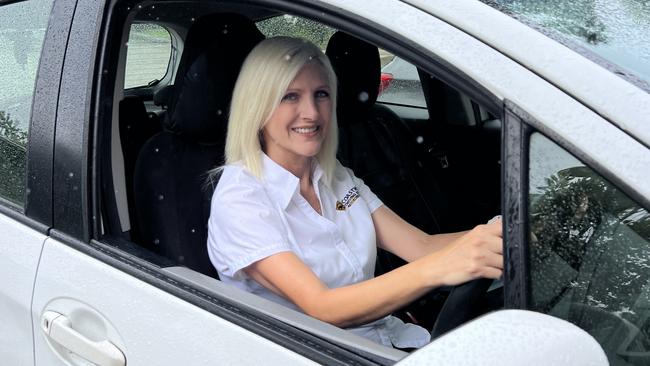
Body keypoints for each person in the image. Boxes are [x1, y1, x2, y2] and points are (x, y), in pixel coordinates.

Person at [207, 36, 503, 349]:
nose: (311, 112)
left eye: (321, 94)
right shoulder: (240, 200)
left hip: (392, 339)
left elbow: (421, 246)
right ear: (258, 106)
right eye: (290, 96)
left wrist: (504, 234)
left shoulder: (334, 175)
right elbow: (324, 307)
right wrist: (443, 267)